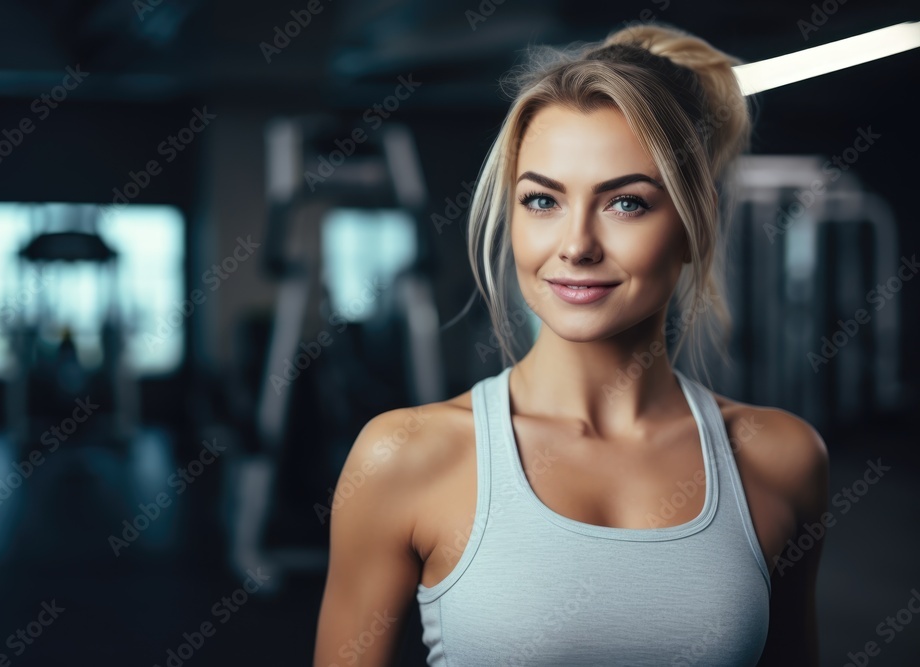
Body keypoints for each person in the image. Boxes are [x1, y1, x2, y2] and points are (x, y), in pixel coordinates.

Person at [314, 21, 829, 667]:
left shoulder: (780, 458)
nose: (577, 244)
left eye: (626, 204)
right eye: (542, 200)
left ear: (698, 222)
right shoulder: (403, 456)